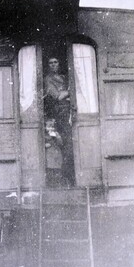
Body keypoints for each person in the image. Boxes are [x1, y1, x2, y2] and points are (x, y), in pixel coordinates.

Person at [44, 57, 74, 186]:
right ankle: (65, 177)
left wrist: (66, 93)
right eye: (50, 63)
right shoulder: (48, 79)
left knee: (69, 144)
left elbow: (64, 94)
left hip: (69, 113)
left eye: (56, 62)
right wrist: (70, 92)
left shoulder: (65, 77)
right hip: (59, 114)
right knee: (63, 144)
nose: (53, 65)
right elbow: (57, 96)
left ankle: (68, 176)